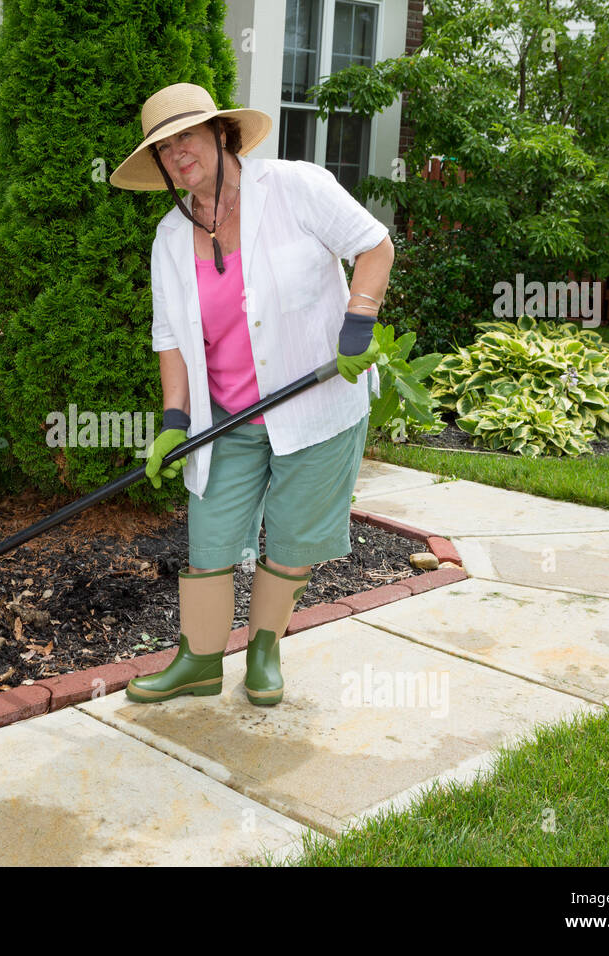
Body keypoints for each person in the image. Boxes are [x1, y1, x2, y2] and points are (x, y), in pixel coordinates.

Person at [108, 82, 394, 705]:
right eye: (164, 147)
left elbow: (374, 245)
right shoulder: (167, 237)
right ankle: (200, 660)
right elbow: (170, 337)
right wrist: (175, 419)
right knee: (209, 541)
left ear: (221, 132)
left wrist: (358, 322)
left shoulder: (297, 188)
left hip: (317, 408)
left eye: (187, 135)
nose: (179, 152)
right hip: (228, 417)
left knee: (293, 538)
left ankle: (264, 648)